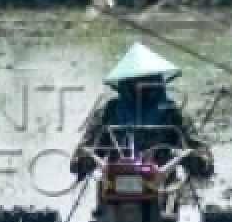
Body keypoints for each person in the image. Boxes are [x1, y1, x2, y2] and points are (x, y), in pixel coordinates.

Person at [70, 43, 213, 179]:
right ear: (125, 83)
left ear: (157, 81)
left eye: (147, 79)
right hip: (115, 181)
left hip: (159, 181)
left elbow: (199, 151)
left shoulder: (171, 112)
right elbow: (85, 150)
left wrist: (194, 159)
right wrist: (84, 160)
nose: (140, 86)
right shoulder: (110, 111)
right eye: (134, 81)